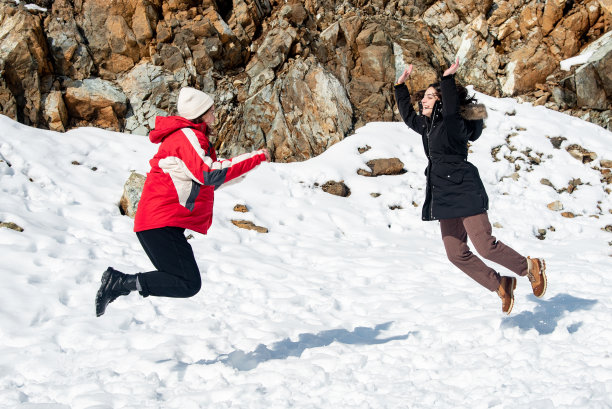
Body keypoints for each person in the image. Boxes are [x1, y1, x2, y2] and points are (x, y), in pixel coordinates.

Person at [95, 87, 270, 317]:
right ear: (200, 114)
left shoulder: (190, 137)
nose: (215, 114)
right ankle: (119, 283)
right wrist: (254, 157)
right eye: (212, 110)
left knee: (186, 283)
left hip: (159, 224)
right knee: (187, 282)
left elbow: (206, 182)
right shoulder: (186, 136)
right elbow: (208, 174)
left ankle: (120, 283)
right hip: (158, 223)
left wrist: (250, 167)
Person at [393, 58, 547, 314]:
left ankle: (530, 267)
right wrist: (400, 87)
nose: (424, 101)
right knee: (456, 254)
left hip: (464, 188)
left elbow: (453, 110)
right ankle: (500, 284)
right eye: (425, 97)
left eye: (430, 97)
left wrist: (447, 80)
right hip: (443, 194)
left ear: (442, 101)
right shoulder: (428, 127)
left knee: (485, 246)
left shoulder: (452, 124)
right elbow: (409, 117)